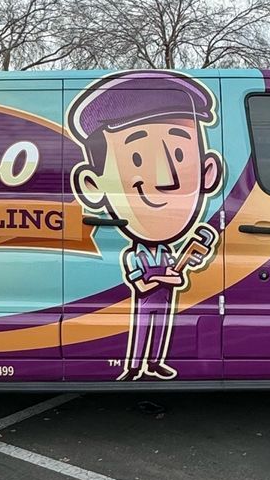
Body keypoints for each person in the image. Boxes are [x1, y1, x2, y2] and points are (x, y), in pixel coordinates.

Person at [69, 70, 223, 380]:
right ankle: (134, 366)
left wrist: (190, 259)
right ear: (92, 185)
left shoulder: (167, 252)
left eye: (178, 154)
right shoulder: (132, 255)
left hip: (164, 300)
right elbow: (140, 285)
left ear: (208, 172)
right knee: (141, 331)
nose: (166, 179)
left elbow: (180, 270)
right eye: (137, 159)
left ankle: (153, 364)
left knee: (161, 331)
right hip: (148, 301)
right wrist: (166, 277)